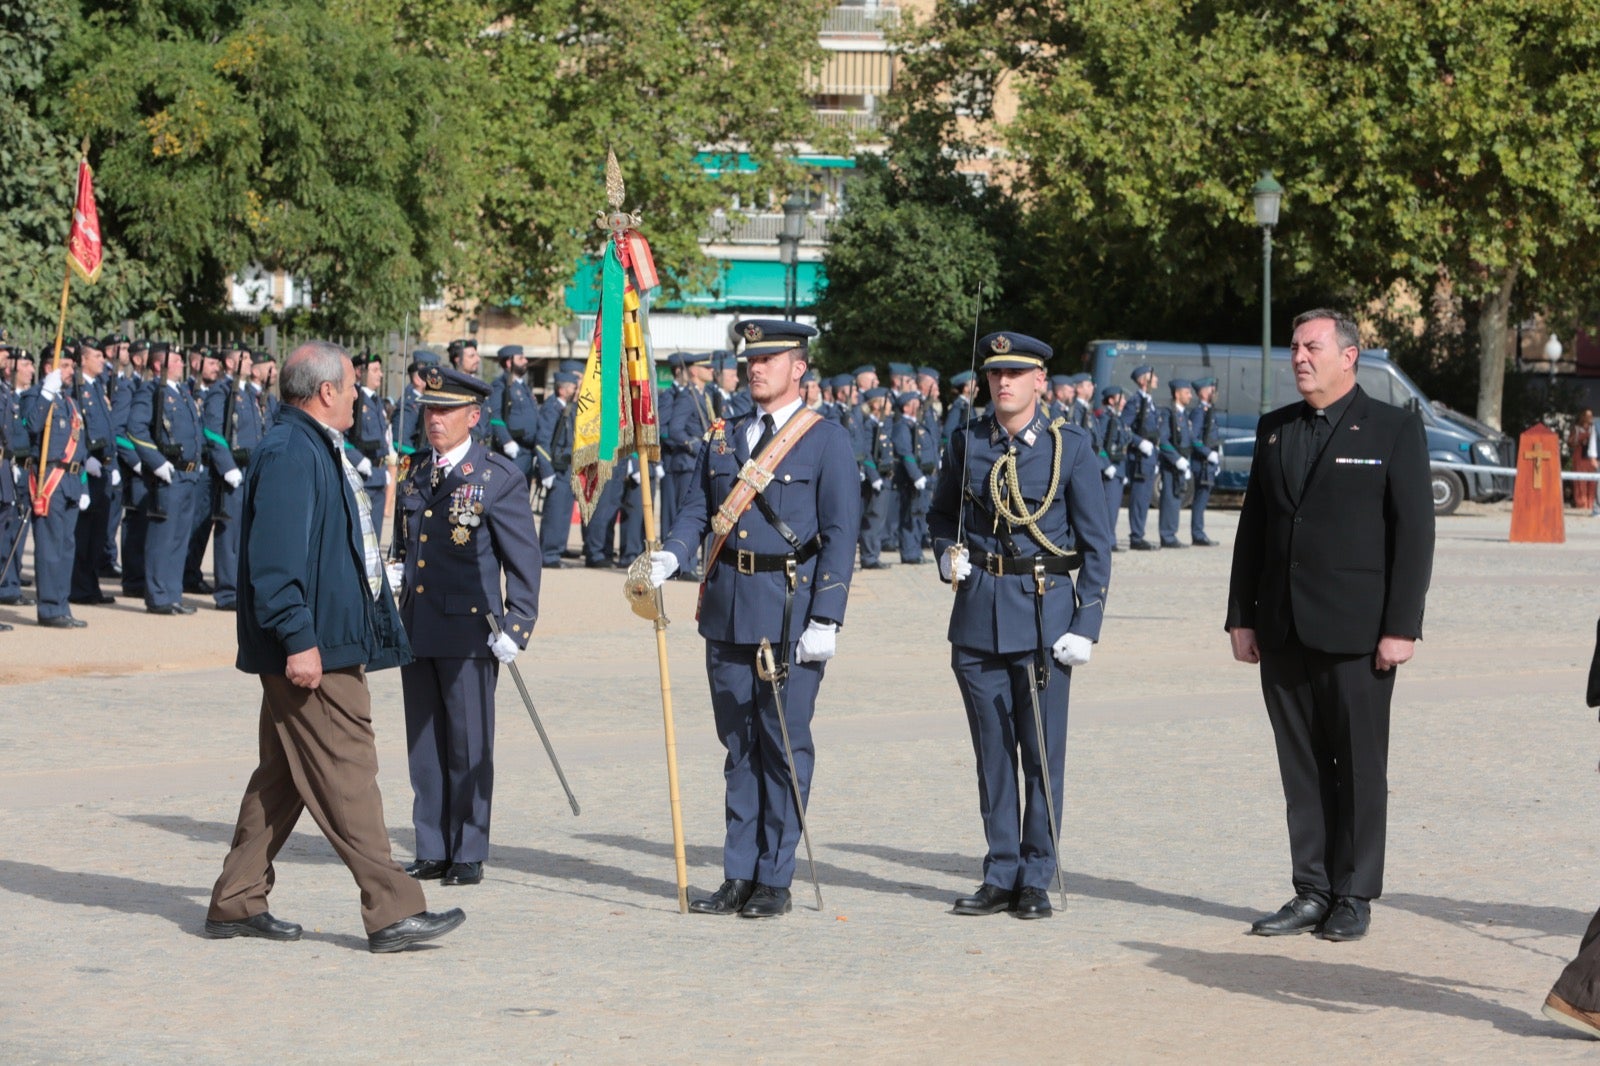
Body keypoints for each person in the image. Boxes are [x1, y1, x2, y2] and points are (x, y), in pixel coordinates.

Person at [206, 340, 465, 953]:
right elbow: (274, 565)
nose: (357, 395)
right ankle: (393, 909)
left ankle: (236, 899)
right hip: (313, 648)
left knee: (283, 777)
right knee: (350, 770)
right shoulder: (291, 451)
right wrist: (299, 641)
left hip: (328, 638)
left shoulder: (310, 445)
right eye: (350, 385)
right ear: (325, 392)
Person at [1225, 308, 1434, 943]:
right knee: (1302, 767)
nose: (1298, 357)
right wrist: (1241, 618)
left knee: (1360, 767)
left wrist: (1402, 626)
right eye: (1293, 348)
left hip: (1359, 634)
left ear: (1350, 356)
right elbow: (1254, 530)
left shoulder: (1394, 428)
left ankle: (1355, 892)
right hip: (1283, 628)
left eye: (1311, 346)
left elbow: (1415, 535)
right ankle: (1311, 888)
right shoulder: (1274, 429)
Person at [642, 318, 860, 919]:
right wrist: (673, 554)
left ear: (800, 368)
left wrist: (828, 618)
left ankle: (774, 877)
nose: (754, 368)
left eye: (770, 358)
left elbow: (841, 537)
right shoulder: (723, 435)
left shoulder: (825, 440)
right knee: (737, 747)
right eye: (750, 359)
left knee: (782, 745)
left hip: (789, 612)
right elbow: (697, 510)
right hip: (728, 607)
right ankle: (738, 872)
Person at [928, 330, 1113, 920]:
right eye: (994, 374)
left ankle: (1037, 872)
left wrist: (1087, 623)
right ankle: (1001, 869)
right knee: (992, 754)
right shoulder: (966, 444)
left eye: (1015, 373)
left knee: (1039, 752)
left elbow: (1098, 545)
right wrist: (944, 553)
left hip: (1043, 617)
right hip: (979, 615)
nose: (1002, 383)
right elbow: (939, 515)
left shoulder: (1070, 448)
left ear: (1040, 382)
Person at [390, 365, 542, 887]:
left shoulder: (496, 477)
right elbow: (408, 545)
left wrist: (518, 624)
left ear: (473, 417)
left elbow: (524, 558)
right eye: (430, 409)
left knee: (468, 743)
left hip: (471, 628)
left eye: (446, 411)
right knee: (425, 744)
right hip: (419, 624)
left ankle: (468, 848)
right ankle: (432, 844)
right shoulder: (414, 471)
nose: (435, 420)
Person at [126, 341, 204, 615]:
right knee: (163, 537)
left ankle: (173, 594)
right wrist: (156, 462)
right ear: (159, 365)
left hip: (188, 474)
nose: (182, 364)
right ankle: (158, 596)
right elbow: (135, 428)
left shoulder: (181, 392)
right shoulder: (151, 391)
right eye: (176, 360)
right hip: (168, 474)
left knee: (180, 537)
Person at [18, 346, 90, 628]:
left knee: (66, 547)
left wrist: (83, 485)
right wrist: (46, 394)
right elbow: (31, 426)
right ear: (49, 368)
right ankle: (49, 608)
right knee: (50, 548)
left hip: (71, 481)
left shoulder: (70, 403)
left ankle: (62, 603)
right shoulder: (36, 396)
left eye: (73, 365)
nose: (71, 371)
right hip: (51, 480)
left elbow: (79, 448)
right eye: (66, 365)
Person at [202, 347, 267, 611]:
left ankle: (242, 589)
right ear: (231, 362)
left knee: (247, 535)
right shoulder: (222, 391)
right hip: (232, 473)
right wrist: (227, 465)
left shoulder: (249, 393)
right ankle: (228, 592)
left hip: (250, 471)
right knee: (229, 534)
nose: (250, 362)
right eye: (246, 358)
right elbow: (212, 430)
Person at [67, 338, 117, 607]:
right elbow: (75, 430)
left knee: (98, 534)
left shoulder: (97, 387)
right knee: (83, 534)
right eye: (97, 356)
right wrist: (85, 459)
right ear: (83, 359)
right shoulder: (77, 388)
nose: (102, 360)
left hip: (104, 467)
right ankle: (79, 588)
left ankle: (91, 585)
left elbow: (108, 428)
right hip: (87, 468)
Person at [533, 370, 579, 566]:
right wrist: (546, 470)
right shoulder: (552, 408)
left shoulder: (568, 408)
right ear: (562, 389)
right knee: (554, 512)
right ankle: (548, 554)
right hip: (556, 468)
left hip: (567, 468)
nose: (576, 391)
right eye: (573, 387)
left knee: (564, 511)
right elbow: (542, 442)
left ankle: (558, 549)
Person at [486, 344, 540, 478]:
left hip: (528, 451)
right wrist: (506, 441)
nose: (525, 361)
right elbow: (494, 415)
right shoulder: (501, 385)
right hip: (514, 450)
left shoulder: (523, 387)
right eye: (521, 358)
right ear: (509, 362)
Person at [1122, 365, 1160, 550]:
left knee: (1145, 498)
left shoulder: (1150, 402)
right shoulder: (1135, 402)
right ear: (1143, 380)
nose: (1156, 379)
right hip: (1139, 458)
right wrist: (1139, 442)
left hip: (1149, 458)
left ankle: (1139, 533)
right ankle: (1136, 536)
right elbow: (1123, 427)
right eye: (1153, 377)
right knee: (1139, 498)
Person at [1154, 378, 1194, 549]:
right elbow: (1163, 440)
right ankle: (1167, 534)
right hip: (1172, 463)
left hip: (1182, 461)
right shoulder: (1169, 414)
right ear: (1177, 394)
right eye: (1187, 392)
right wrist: (1176, 459)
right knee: (1169, 498)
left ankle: (1171, 533)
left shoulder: (1182, 414)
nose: (1190, 396)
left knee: (1176, 498)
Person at [1187, 376, 1223, 545]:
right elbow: (1193, 438)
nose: (1213, 392)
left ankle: (1199, 532)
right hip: (1201, 462)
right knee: (1200, 499)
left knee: (1203, 498)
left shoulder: (1209, 411)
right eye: (1210, 389)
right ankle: (1197, 534)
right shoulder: (1199, 412)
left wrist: (1216, 457)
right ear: (1202, 392)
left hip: (1208, 462)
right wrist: (1207, 453)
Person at [1570, 408, 1598, 515]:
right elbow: (1570, 443)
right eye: (1587, 415)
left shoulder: (1594, 428)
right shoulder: (1576, 429)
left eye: (1591, 415)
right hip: (1580, 458)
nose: (1590, 418)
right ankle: (1581, 505)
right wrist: (1580, 440)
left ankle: (1591, 505)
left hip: (1590, 459)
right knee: (1580, 481)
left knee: (1592, 482)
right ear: (1582, 416)